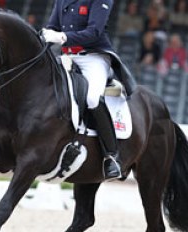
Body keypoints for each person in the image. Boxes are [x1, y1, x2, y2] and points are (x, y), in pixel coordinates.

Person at [42, 0, 128, 180]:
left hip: (93, 56)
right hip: (66, 56)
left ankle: (111, 156)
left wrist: (62, 37)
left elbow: (94, 32)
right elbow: (52, 27)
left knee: (92, 98)